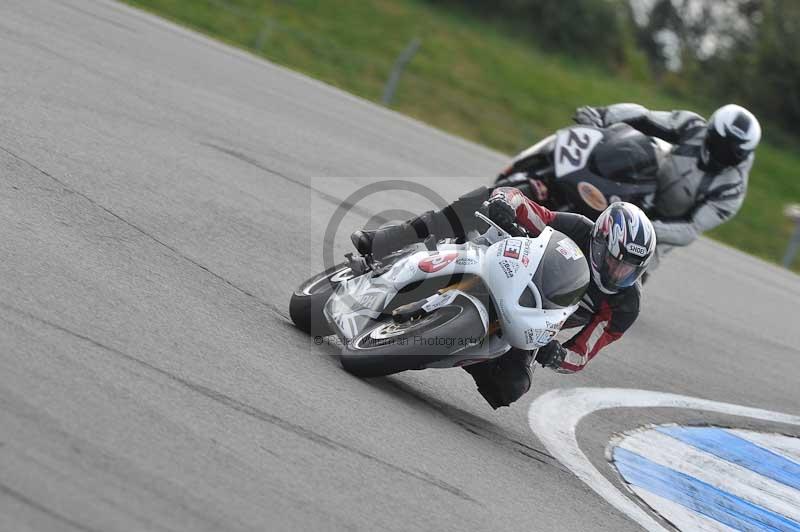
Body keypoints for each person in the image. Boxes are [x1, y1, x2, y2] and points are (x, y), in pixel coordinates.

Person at [351, 185, 656, 409]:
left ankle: (447, 345)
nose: (618, 273)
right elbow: (522, 203)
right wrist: (503, 203)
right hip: (505, 267)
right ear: (601, 239)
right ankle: (392, 240)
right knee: (477, 200)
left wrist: (558, 355)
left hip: (531, 320)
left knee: (511, 387)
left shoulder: (624, 305)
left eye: (629, 268)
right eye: (616, 261)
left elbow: (584, 351)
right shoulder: (577, 227)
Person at [573, 103, 760, 269]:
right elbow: (645, 117)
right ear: (710, 132)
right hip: (639, 188)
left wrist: (643, 229)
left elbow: (689, 230)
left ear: (743, 155)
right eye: (720, 145)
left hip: (661, 228)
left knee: (622, 279)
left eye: (731, 154)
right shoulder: (692, 127)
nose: (722, 156)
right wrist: (602, 115)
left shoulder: (732, 190)